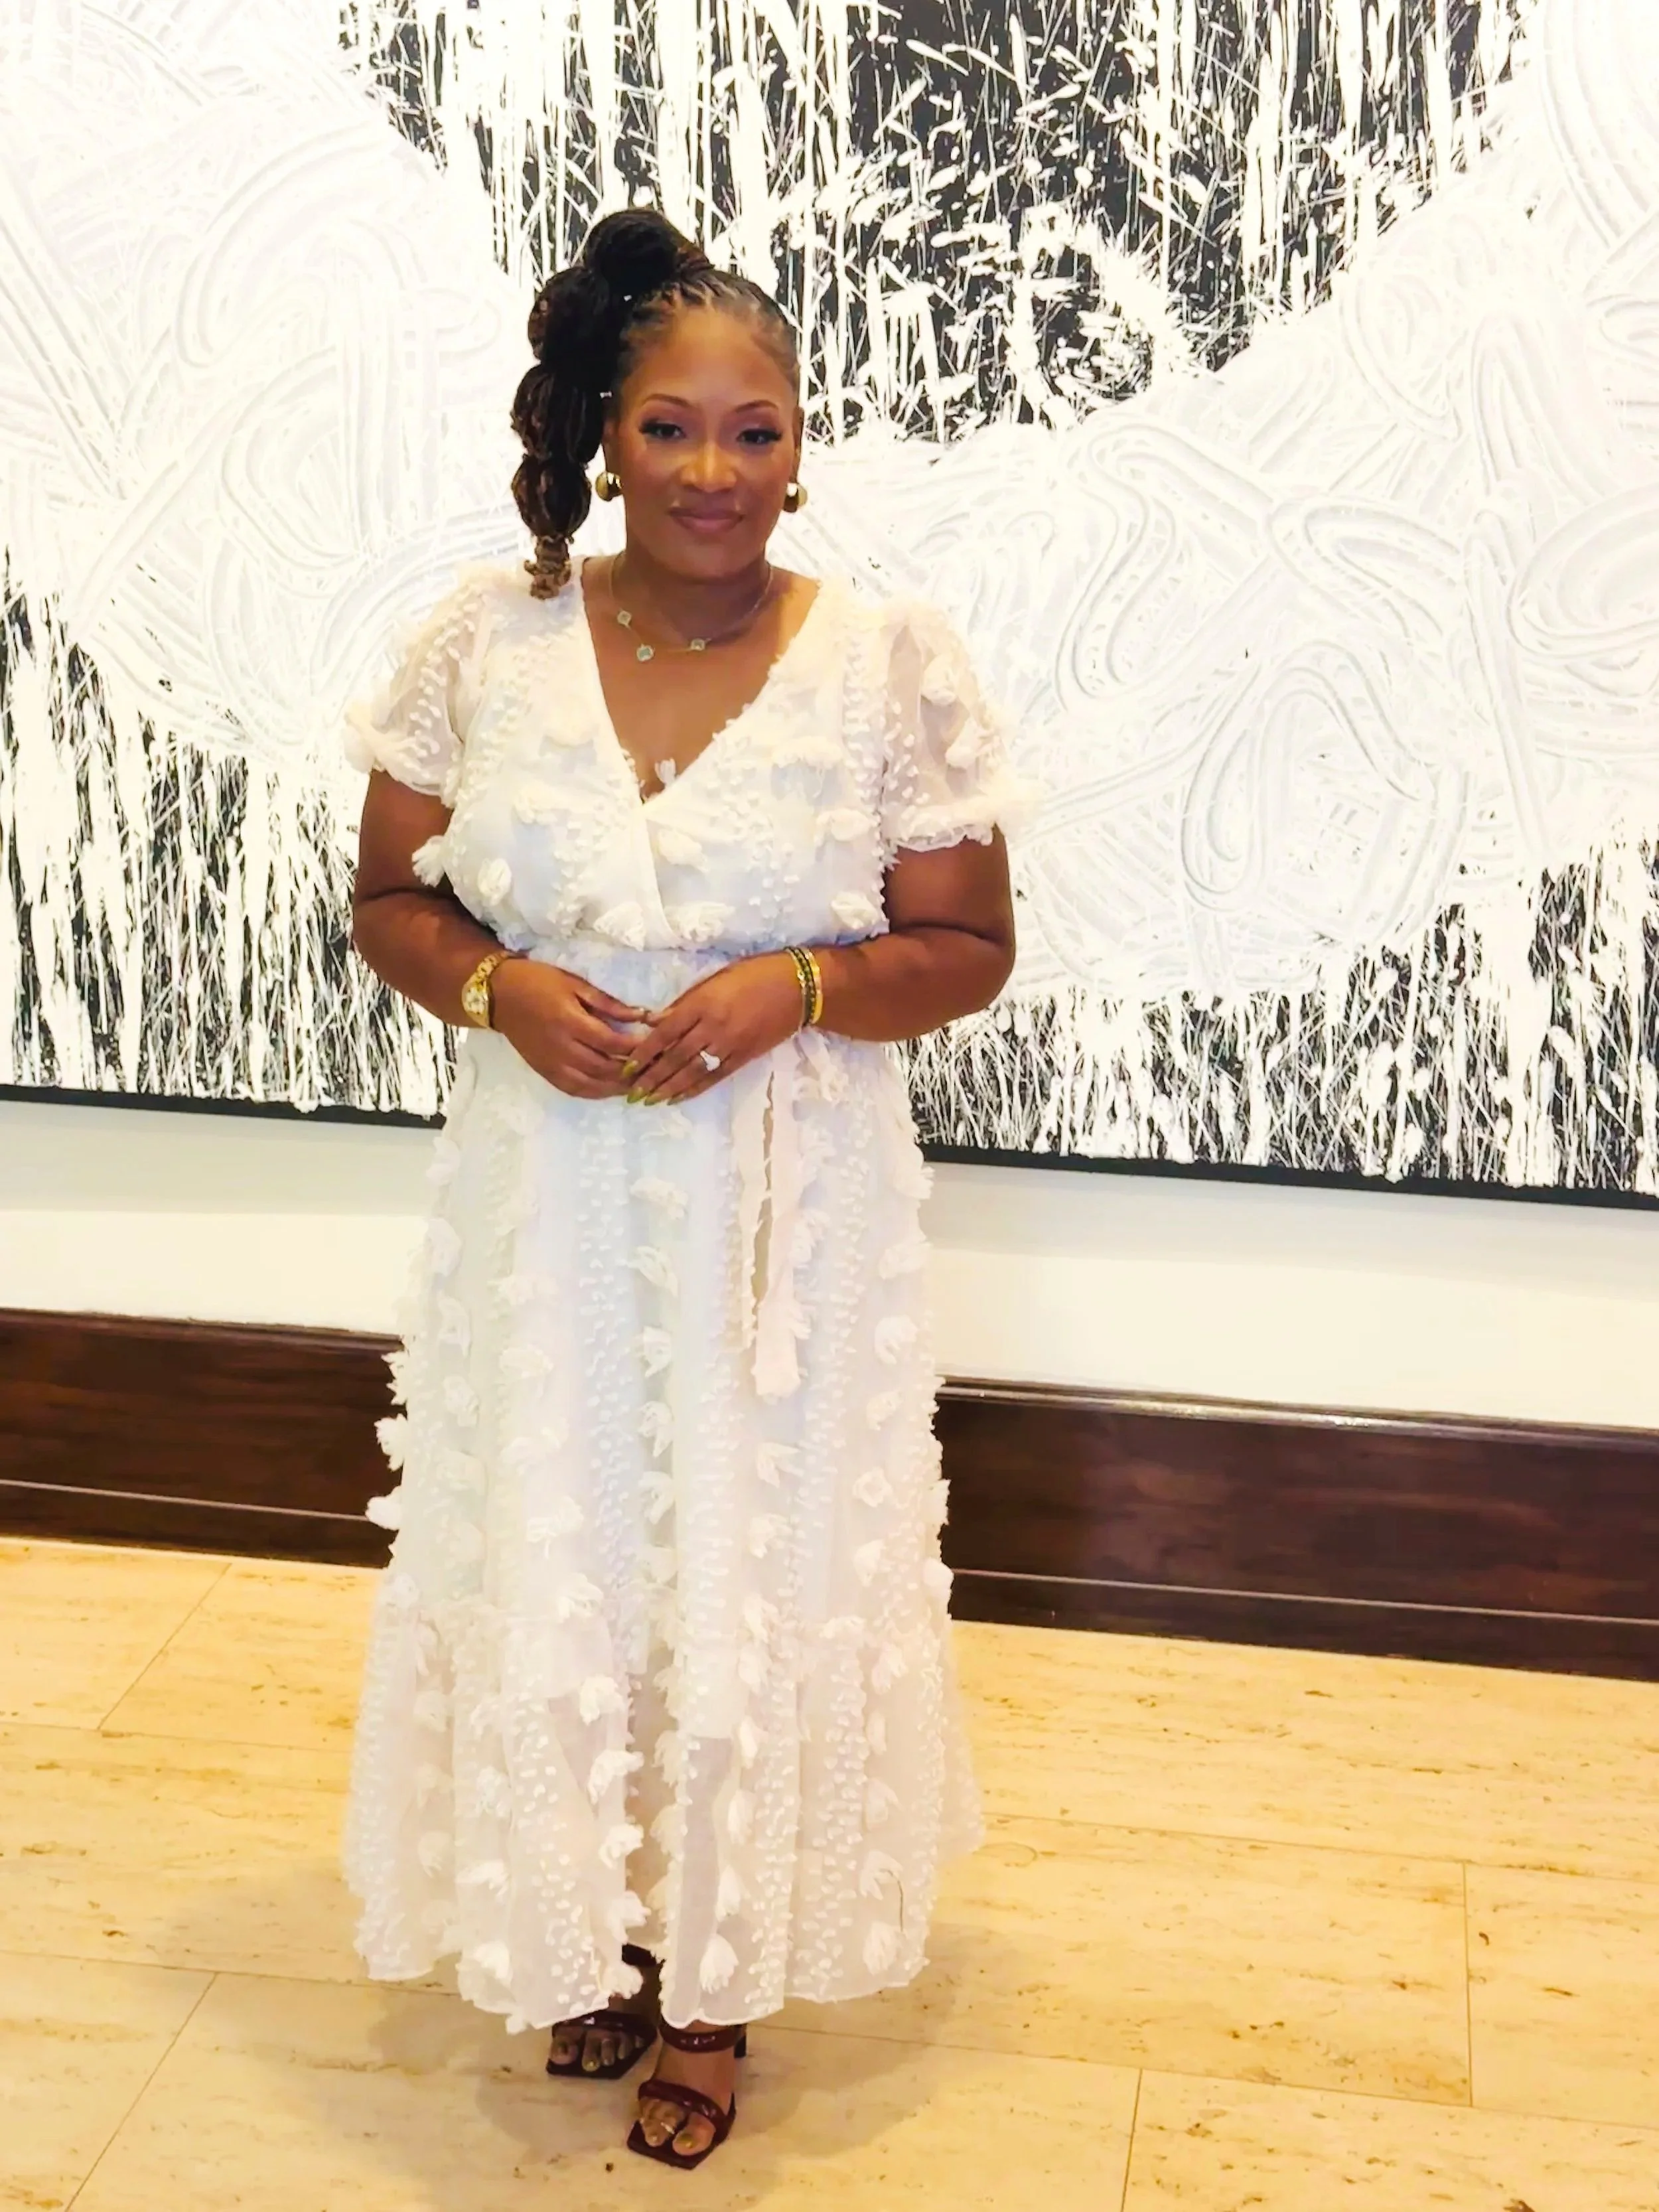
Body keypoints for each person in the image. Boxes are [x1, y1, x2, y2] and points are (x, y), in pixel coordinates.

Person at [340, 206, 1021, 2172]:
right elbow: (389, 899)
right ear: (598, 438)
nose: (715, 472)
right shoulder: (484, 642)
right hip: (544, 1205)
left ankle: (712, 1986)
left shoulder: (888, 661)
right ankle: (577, 1924)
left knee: (751, 1560)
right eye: (671, 429)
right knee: (561, 1542)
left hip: (775, 1224)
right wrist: (495, 982)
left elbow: (964, 947)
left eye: (755, 430)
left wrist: (792, 985)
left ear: (800, 445)